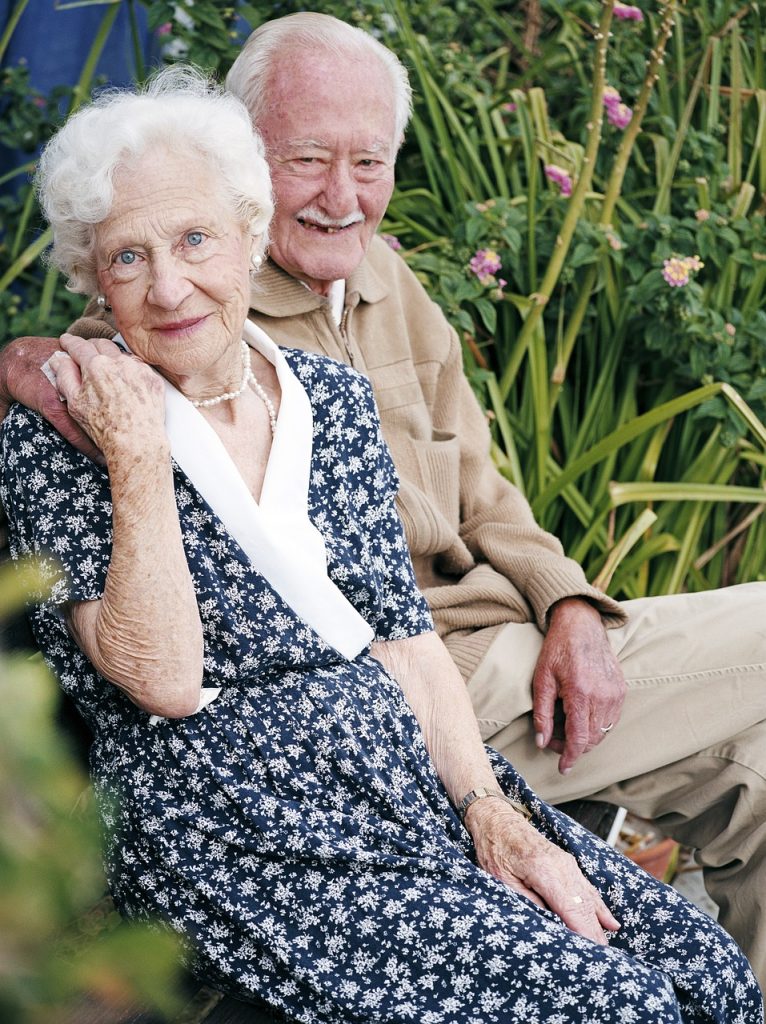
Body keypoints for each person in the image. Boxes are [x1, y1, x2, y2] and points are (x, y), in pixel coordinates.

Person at [1, 9, 765, 987]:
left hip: (446, 695)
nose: (341, 195)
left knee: (742, 821)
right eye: (310, 159)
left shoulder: (375, 294)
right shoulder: (146, 350)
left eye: (370, 161)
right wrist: (45, 380)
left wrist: (569, 601)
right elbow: (162, 655)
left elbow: (482, 494)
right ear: (257, 176)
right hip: (347, 743)